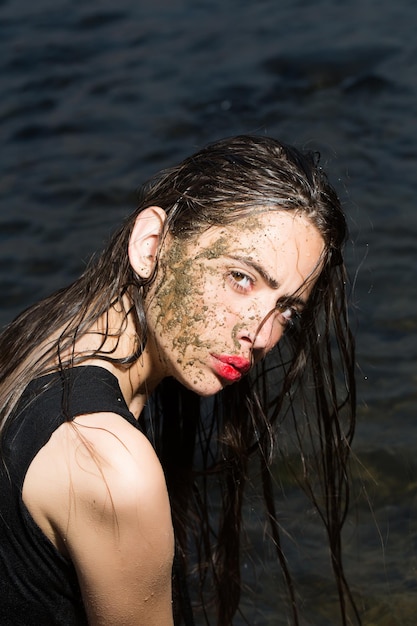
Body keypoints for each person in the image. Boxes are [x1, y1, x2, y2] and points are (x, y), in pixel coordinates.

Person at [0, 135, 360, 625]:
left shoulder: (51, 333)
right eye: (241, 277)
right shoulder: (112, 469)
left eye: (287, 311)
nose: (259, 334)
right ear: (151, 245)